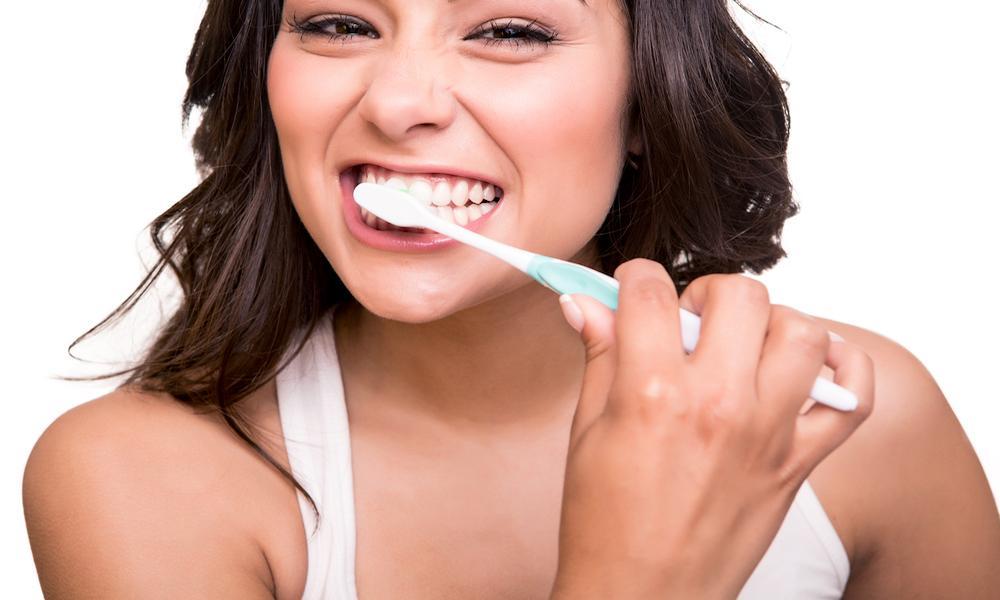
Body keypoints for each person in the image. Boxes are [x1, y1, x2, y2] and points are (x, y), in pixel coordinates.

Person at [22, 0, 1000, 598]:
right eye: (337, 24)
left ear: (647, 105)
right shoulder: (140, 480)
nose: (399, 102)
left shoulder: (858, 421)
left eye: (509, 31)